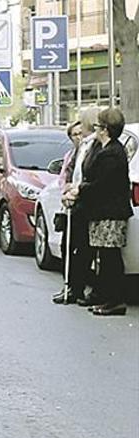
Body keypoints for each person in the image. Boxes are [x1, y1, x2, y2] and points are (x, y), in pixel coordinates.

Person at [65, 107, 132, 316]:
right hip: (102, 212)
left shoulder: (112, 153)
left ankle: (114, 300)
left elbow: (102, 185)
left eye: (98, 126)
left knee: (111, 258)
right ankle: (106, 298)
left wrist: (79, 190)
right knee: (105, 256)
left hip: (110, 213)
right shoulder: (106, 150)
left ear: (105, 129)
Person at [53, 107, 101, 305]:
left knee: (82, 249)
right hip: (74, 202)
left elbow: (90, 175)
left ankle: (77, 287)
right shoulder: (81, 148)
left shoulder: (95, 146)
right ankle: (72, 287)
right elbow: (72, 172)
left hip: (86, 203)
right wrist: (67, 190)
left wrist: (77, 190)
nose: (79, 134)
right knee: (68, 246)